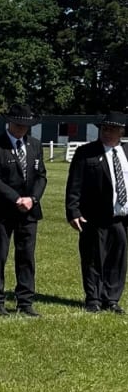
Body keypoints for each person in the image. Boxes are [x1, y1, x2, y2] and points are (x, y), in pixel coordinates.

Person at [0, 103, 47, 317]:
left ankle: (25, 301)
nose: (22, 129)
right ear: (10, 122)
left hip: (29, 211)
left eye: (26, 125)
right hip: (3, 210)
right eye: (18, 124)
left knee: (26, 255)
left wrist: (33, 199)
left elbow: (41, 176)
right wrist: (16, 198)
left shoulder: (35, 145)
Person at [65, 111, 128, 313]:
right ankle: (93, 298)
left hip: (121, 218)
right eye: (104, 129)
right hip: (94, 216)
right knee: (93, 258)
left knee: (117, 259)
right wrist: (73, 211)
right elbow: (74, 185)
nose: (107, 133)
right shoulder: (86, 152)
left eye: (112, 129)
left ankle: (112, 299)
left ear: (121, 131)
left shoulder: (126, 152)